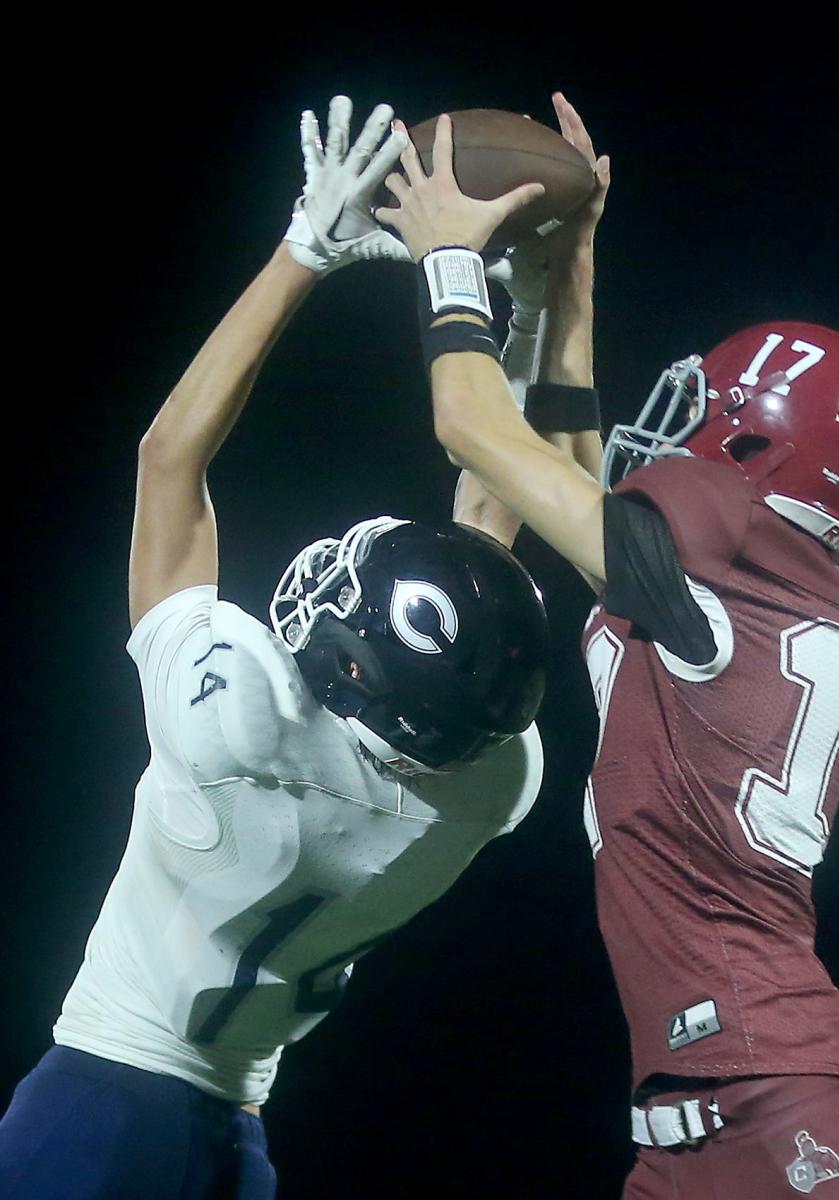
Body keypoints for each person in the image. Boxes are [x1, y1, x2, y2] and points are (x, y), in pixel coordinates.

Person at [0, 97, 548, 1200]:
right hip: (237, 1142)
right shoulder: (487, 783)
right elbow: (491, 521)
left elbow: (168, 459)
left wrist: (306, 250)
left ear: (350, 672)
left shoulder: (232, 724)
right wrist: (532, 307)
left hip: (101, 1106)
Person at [376, 96, 839, 1197]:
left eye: (707, 416)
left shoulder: (720, 561)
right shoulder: (748, 592)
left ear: (755, 442)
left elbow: (477, 427)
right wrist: (570, 264)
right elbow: (571, 464)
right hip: (693, 1124)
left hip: (780, 1105)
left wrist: (449, 267)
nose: (673, 438)